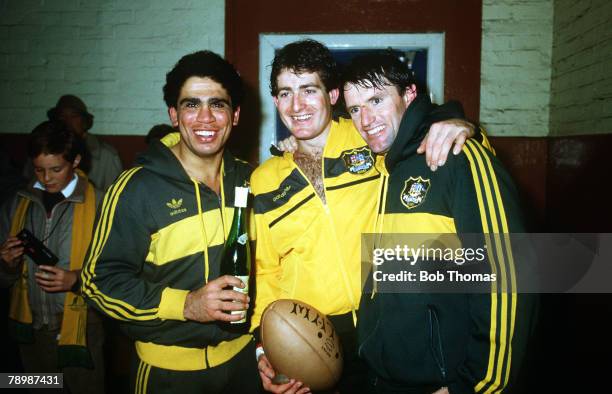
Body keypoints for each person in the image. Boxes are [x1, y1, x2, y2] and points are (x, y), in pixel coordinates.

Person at [250, 39, 482, 394]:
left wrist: (459, 126)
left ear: (333, 96)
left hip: (385, 325)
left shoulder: (370, 140)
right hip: (309, 338)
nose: (296, 106)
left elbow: (419, 130)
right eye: (285, 93)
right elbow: (266, 269)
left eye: (309, 90)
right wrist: (266, 347)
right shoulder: (264, 180)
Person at [342, 52, 536, 393]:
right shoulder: (384, 168)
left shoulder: (457, 155)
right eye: (355, 109)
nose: (365, 119)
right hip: (382, 378)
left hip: (442, 384)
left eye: (376, 99)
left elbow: (509, 278)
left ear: (409, 95)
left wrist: (477, 384)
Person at [80, 51, 261, 394]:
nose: (205, 118)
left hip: (244, 366)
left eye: (217, 105)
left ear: (235, 115)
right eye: (191, 105)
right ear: (174, 115)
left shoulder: (251, 181)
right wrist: (186, 304)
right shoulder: (136, 188)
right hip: (168, 373)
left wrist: (265, 347)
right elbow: (96, 283)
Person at [0, 121, 105, 394]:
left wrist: (76, 279)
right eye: (38, 169)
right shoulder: (17, 203)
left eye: (56, 169)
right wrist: (7, 265)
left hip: (83, 330)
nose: (46, 178)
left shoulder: (101, 205)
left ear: (76, 160)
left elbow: (119, 273)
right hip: (32, 331)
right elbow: (3, 278)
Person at [24, 94, 124, 191]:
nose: (67, 121)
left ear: (85, 121)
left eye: (74, 116)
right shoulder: (39, 151)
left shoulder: (106, 156)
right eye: (62, 116)